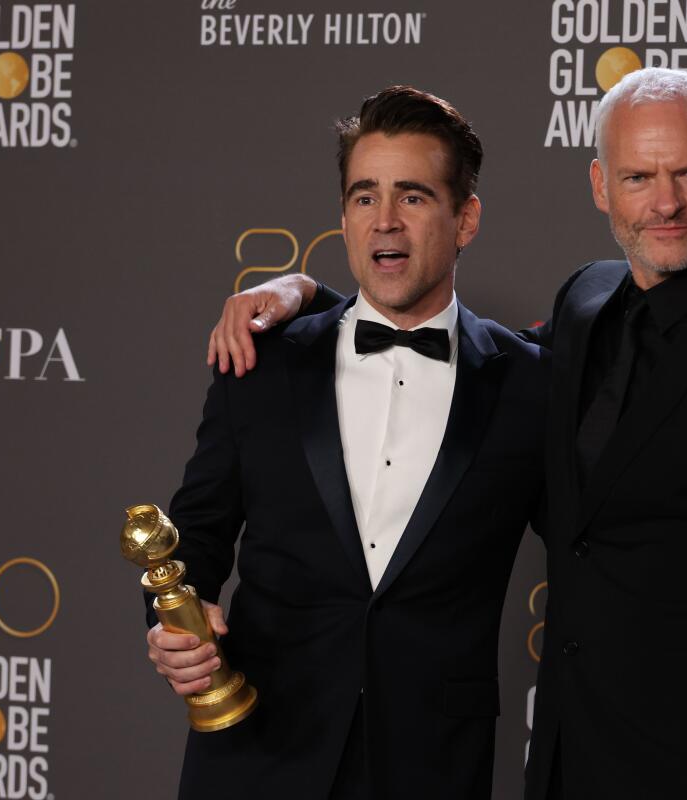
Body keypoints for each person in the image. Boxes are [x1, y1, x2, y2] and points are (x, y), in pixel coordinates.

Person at [210, 68, 687, 799]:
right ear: (600, 186)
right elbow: (437, 349)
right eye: (638, 176)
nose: (665, 202)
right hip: (564, 754)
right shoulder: (586, 299)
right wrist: (305, 296)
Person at [145, 85, 549, 800]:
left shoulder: (527, 387)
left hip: (430, 764)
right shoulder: (261, 365)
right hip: (256, 754)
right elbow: (195, 535)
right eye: (365, 197)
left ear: (467, 219)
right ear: (342, 215)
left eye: (414, 197)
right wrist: (173, 619)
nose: (384, 222)